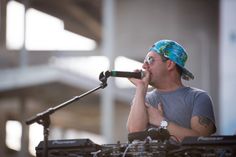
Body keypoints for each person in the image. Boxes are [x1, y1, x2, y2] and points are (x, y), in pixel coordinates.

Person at [127, 39, 216, 142]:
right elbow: (134, 133)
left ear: (170, 64)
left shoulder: (198, 97)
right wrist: (140, 87)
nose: (144, 66)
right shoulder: (142, 98)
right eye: (144, 62)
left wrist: (161, 121)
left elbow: (201, 141)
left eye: (150, 60)